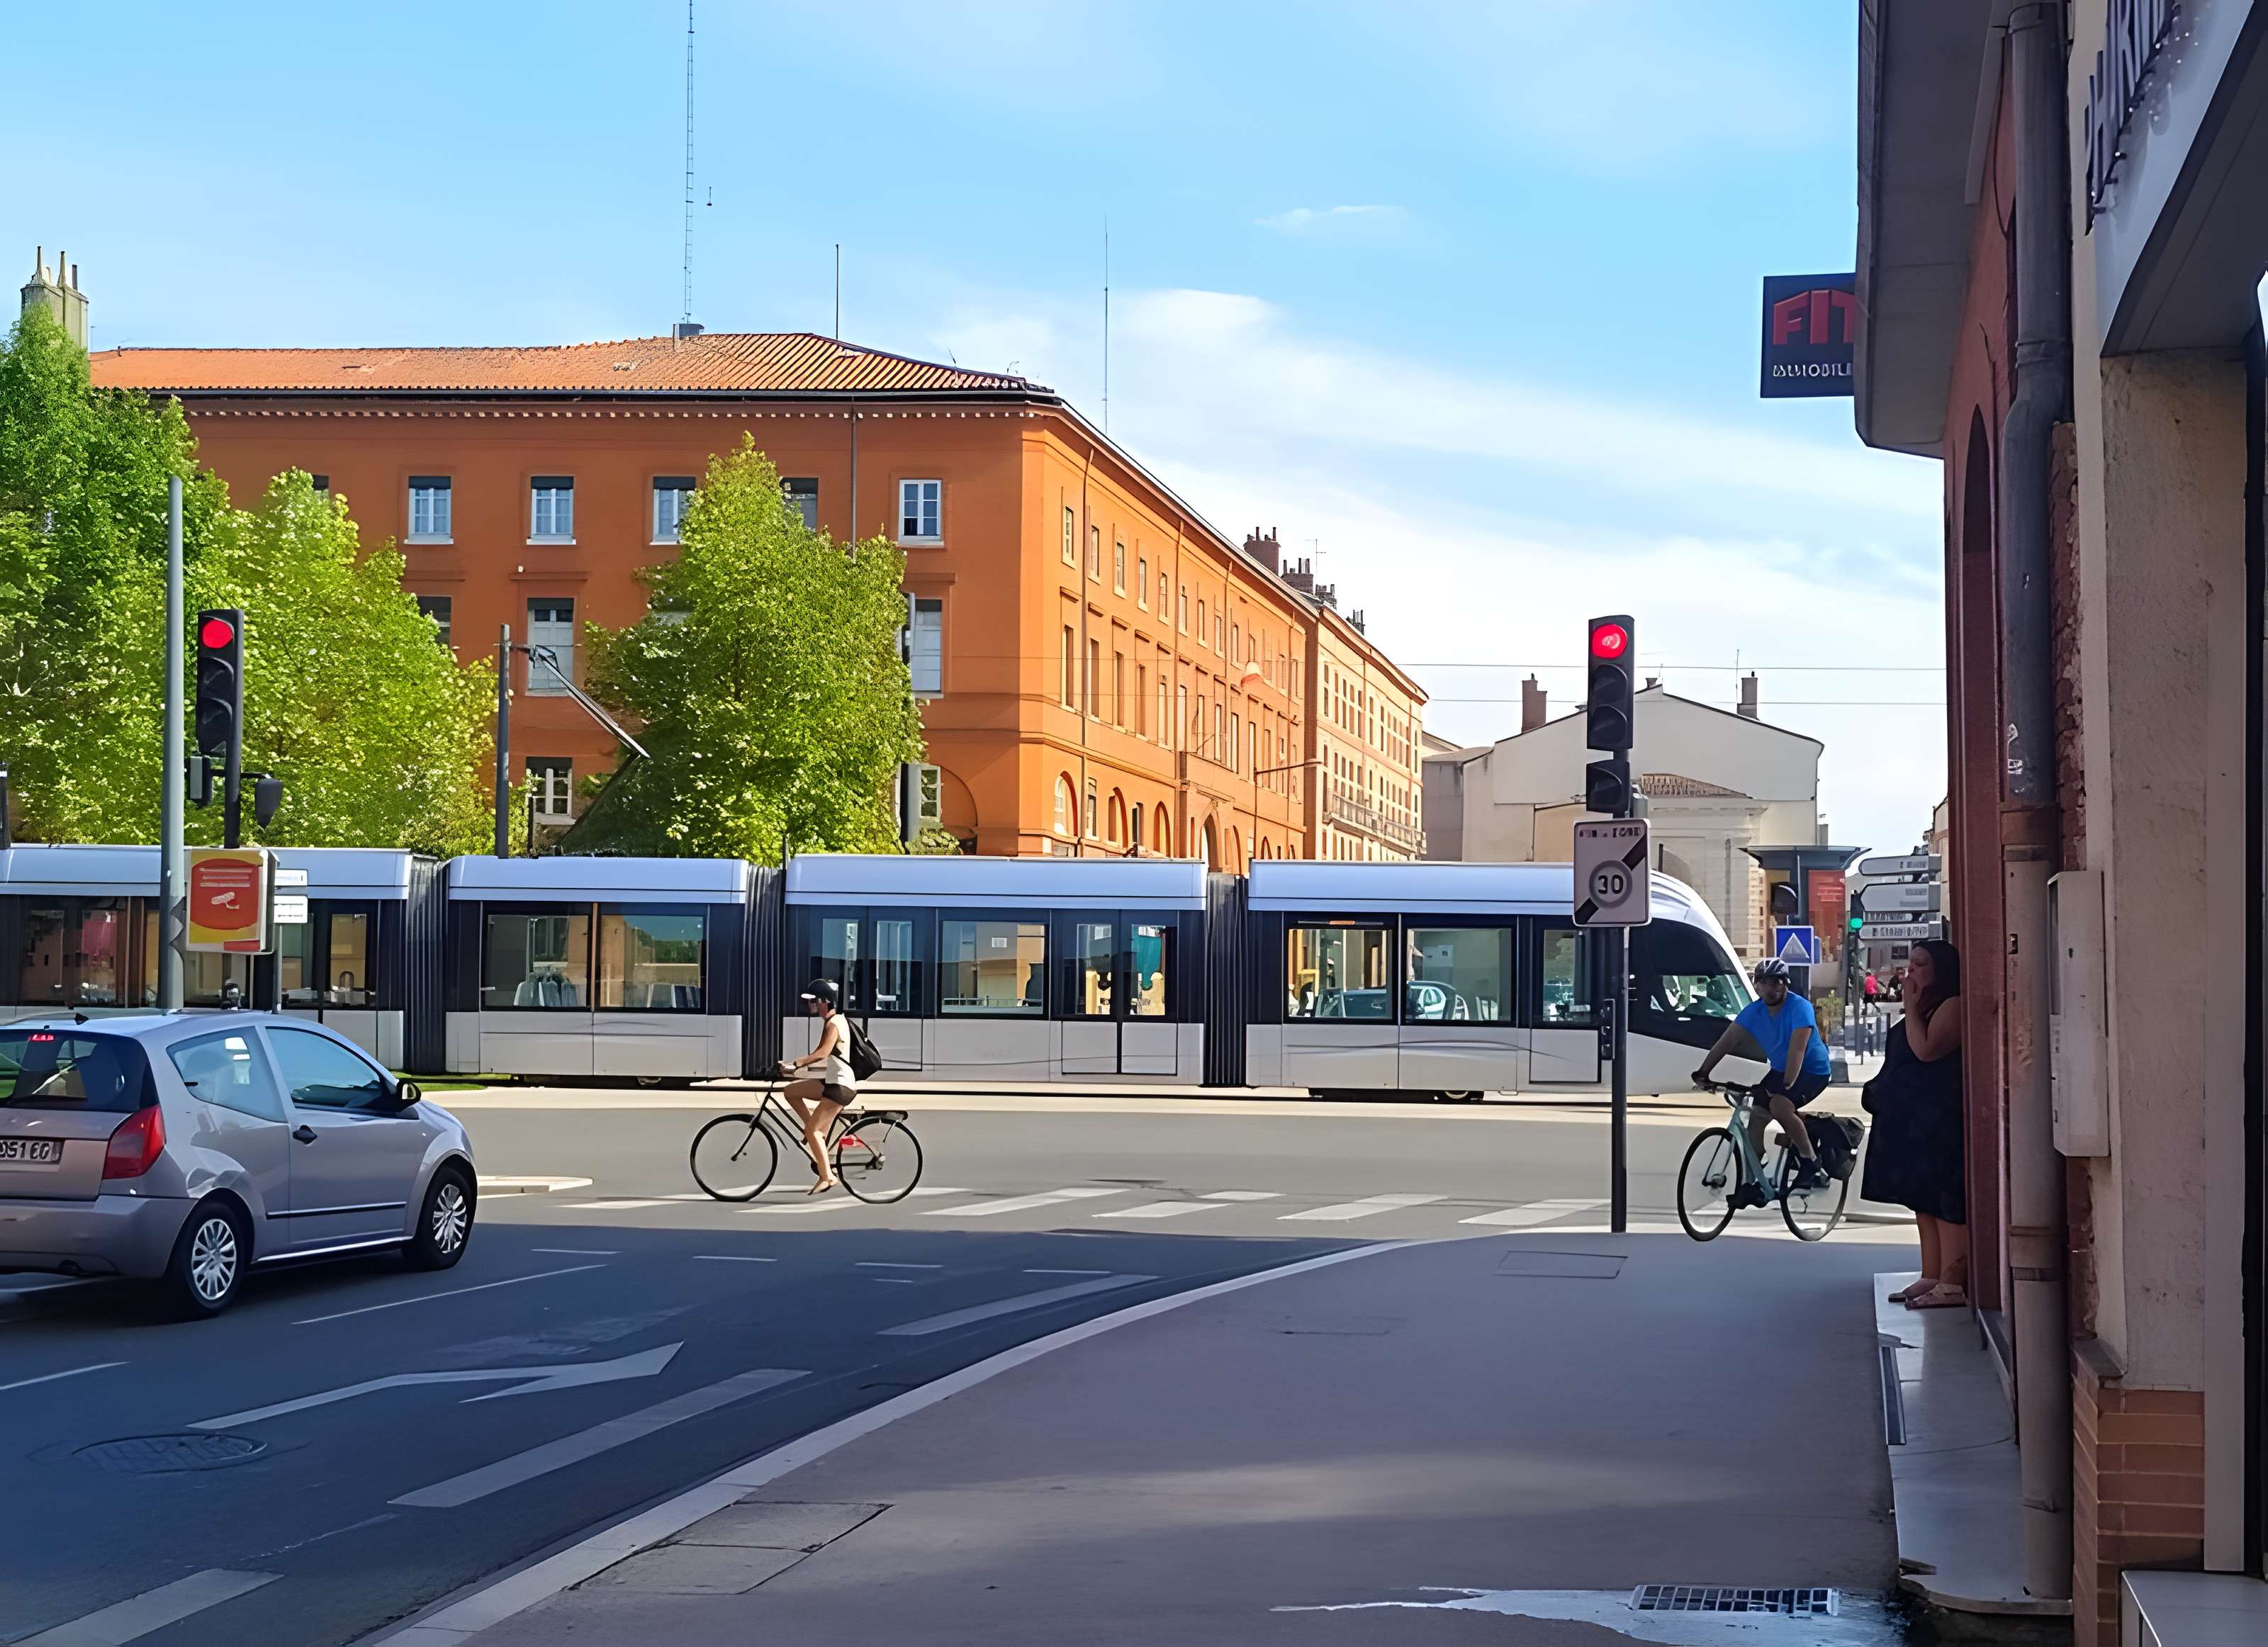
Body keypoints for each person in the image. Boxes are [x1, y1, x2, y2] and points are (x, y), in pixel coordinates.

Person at [1861, 939, 1968, 1308]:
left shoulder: (1952, 1006)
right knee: (1922, 1198)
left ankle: (1954, 1282)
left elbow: (1926, 1050)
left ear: (1941, 970)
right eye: (1911, 965)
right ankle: (1931, 1274)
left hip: (1940, 1119)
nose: (1911, 973)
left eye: (1921, 965)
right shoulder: (1924, 1007)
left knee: (1944, 1200)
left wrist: (1909, 1005)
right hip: (1914, 1121)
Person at [1692, 957, 1834, 1198]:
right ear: (1757, 985)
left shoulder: (1799, 1007)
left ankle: (1810, 1161)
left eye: (1777, 983)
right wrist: (1704, 1071)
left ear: (1786, 984)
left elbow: (1797, 1050)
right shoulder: (1754, 1011)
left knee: (1780, 1105)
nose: (1771, 989)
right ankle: (1753, 1183)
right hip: (1780, 1070)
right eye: (1765, 983)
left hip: (1812, 1070)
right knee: (1756, 1118)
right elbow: (1727, 1041)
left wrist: (1786, 1087)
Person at [777, 978, 857, 1195]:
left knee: (813, 1131)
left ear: (826, 1001)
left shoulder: (834, 1024)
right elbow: (824, 1060)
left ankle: (827, 1176)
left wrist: (797, 1063)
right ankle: (813, 1132)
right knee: (791, 1091)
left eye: (814, 1001)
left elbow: (821, 1054)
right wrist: (794, 1070)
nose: (810, 1005)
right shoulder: (832, 1021)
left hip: (839, 1085)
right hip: (831, 1080)